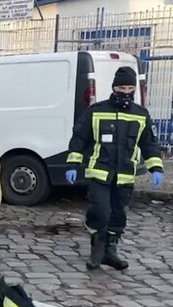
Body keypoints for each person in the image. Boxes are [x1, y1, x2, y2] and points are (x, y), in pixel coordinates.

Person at [65, 66, 164, 271]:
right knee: (100, 212)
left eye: (129, 87)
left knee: (118, 215)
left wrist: (156, 167)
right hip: (99, 173)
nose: (125, 91)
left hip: (125, 175)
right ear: (114, 87)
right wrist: (73, 164)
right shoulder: (97, 111)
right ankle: (97, 250)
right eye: (121, 87)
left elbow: (149, 144)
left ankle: (110, 251)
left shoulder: (140, 114)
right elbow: (79, 138)